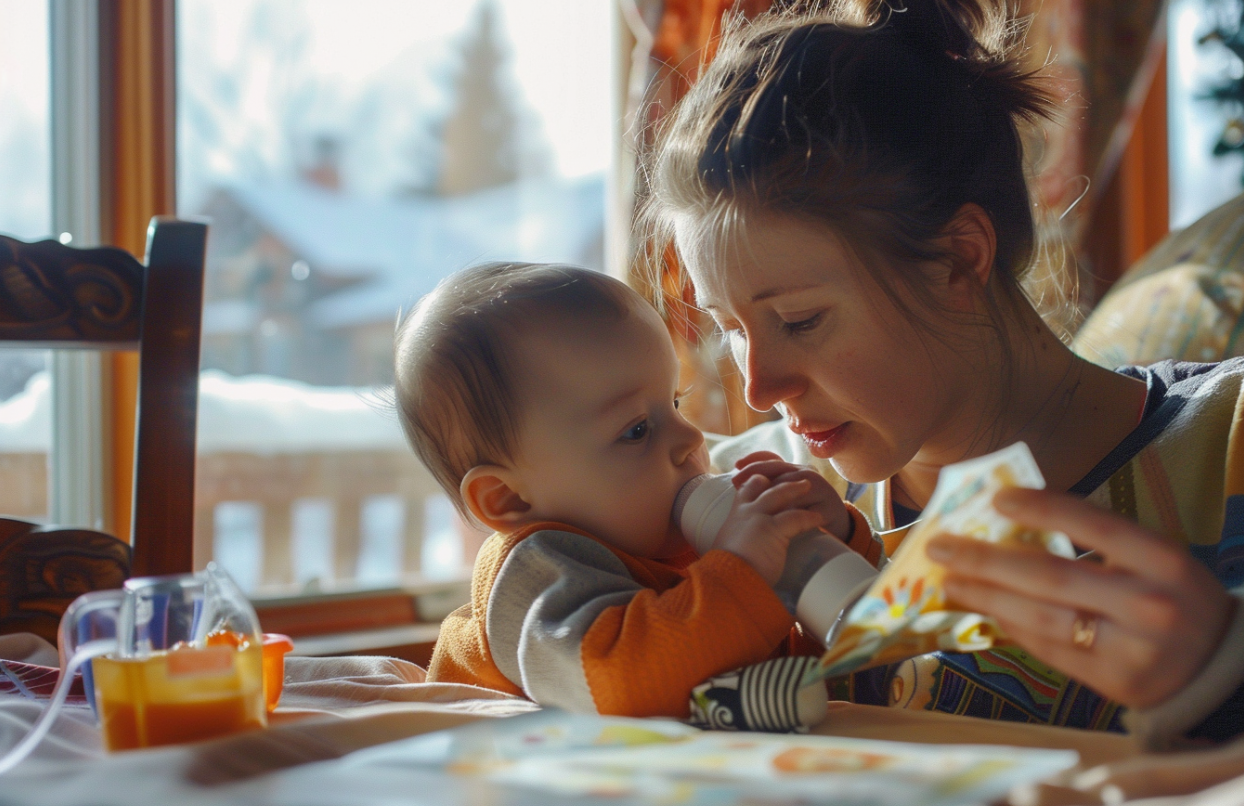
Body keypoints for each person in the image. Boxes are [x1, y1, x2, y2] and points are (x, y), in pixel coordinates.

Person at [642, 0, 1244, 746]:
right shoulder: (754, 505)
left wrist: (1219, 674)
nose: (759, 389)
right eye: (732, 330)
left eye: (799, 320)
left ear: (960, 256)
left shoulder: (1225, 449)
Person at [393, 262, 883, 718]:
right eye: (636, 430)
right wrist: (746, 570)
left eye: (674, 402)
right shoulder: (536, 575)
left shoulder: (695, 555)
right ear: (508, 499)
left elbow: (827, 660)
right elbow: (624, 685)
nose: (691, 438)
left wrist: (829, 542)